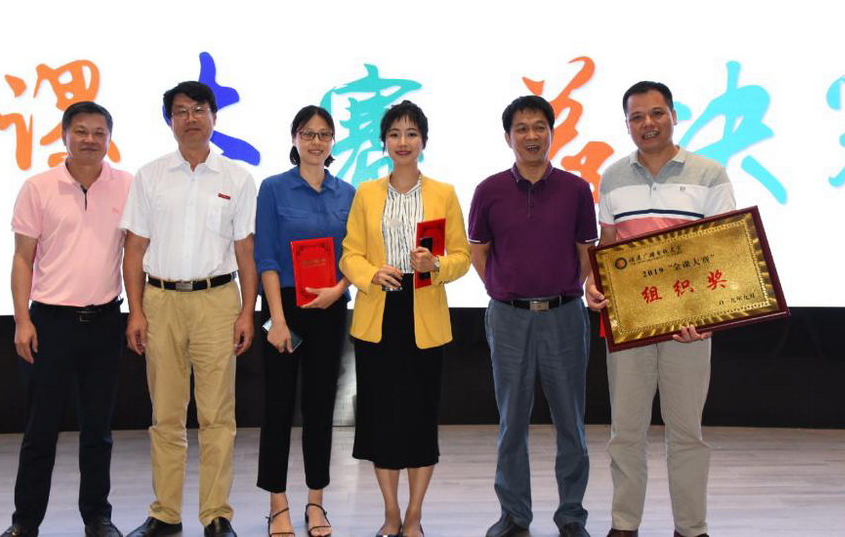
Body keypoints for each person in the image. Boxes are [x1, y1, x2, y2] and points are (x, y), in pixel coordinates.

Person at [585, 81, 736, 537]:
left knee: (686, 433)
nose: (647, 123)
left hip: (689, 325)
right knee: (624, 432)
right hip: (630, 323)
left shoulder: (710, 174)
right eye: (636, 117)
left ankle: (691, 528)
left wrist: (707, 315)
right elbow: (608, 248)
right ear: (627, 124)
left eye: (656, 113)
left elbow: (724, 250)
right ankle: (624, 525)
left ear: (673, 116)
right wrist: (593, 283)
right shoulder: (613, 177)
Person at [121, 81, 258, 537]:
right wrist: (135, 312)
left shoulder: (237, 178)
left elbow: (245, 251)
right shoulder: (150, 176)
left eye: (199, 109)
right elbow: (134, 249)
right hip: (160, 301)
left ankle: (216, 514)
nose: (191, 118)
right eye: (180, 111)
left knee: (218, 416)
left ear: (214, 117)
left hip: (218, 302)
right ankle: (165, 513)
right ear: (170, 121)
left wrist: (247, 313)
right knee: (165, 415)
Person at [340, 100, 471, 537]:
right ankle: (390, 514)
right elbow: (349, 254)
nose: (403, 141)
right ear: (383, 142)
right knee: (381, 421)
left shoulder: (443, 193)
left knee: (419, 421)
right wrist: (370, 274)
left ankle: (414, 516)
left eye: (411, 133)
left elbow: (462, 256)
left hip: (424, 315)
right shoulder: (366, 193)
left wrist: (436, 265)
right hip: (379, 314)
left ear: (423, 142)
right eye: (394, 134)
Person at [1, 101, 132, 537]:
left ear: (109, 138)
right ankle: (25, 522)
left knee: (98, 430)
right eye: (81, 131)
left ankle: (97, 516)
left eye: (99, 132)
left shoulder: (127, 185)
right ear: (64, 136)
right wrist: (22, 320)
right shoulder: (38, 187)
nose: (90, 139)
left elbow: (134, 255)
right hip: (50, 324)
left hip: (105, 322)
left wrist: (137, 313)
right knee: (40, 430)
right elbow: (23, 259)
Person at [468, 95, 596, 537]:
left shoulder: (576, 190)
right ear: (508, 137)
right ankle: (514, 515)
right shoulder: (488, 191)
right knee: (512, 422)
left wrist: (561, 288)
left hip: (564, 315)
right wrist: (505, 290)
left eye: (539, 126)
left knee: (571, 422)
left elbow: (585, 254)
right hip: (509, 317)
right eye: (521, 128)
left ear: (552, 133)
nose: (531, 136)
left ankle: (572, 515)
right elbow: (480, 253)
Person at [254, 105, 356, 537]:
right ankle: (277, 504)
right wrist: (277, 319)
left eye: (324, 134)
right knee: (277, 407)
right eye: (308, 133)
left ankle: (316, 501)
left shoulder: (347, 193)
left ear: (333, 142)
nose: (316, 142)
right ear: (294, 139)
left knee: (319, 408)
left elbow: (357, 254)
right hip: (284, 310)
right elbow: (266, 256)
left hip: (330, 309)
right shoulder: (273, 188)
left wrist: (339, 288)